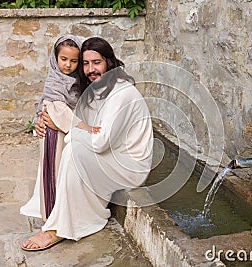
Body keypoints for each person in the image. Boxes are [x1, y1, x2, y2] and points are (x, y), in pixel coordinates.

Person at [21, 37, 153, 251]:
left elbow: (100, 143)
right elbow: (85, 123)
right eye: (85, 63)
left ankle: (60, 227)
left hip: (130, 166)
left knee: (74, 147)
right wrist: (43, 120)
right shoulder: (97, 89)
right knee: (56, 133)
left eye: (97, 62)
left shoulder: (122, 93)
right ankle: (53, 206)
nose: (91, 69)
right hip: (112, 154)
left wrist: (67, 126)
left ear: (109, 62)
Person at [20, 35, 99, 222]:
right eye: (63, 59)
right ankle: (51, 211)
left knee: (68, 172)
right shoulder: (54, 80)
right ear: (55, 59)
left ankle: (70, 208)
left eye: (74, 61)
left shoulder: (82, 81)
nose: (68, 65)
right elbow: (45, 107)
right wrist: (39, 121)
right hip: (58, 129)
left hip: (71, 129)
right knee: (53, 108)